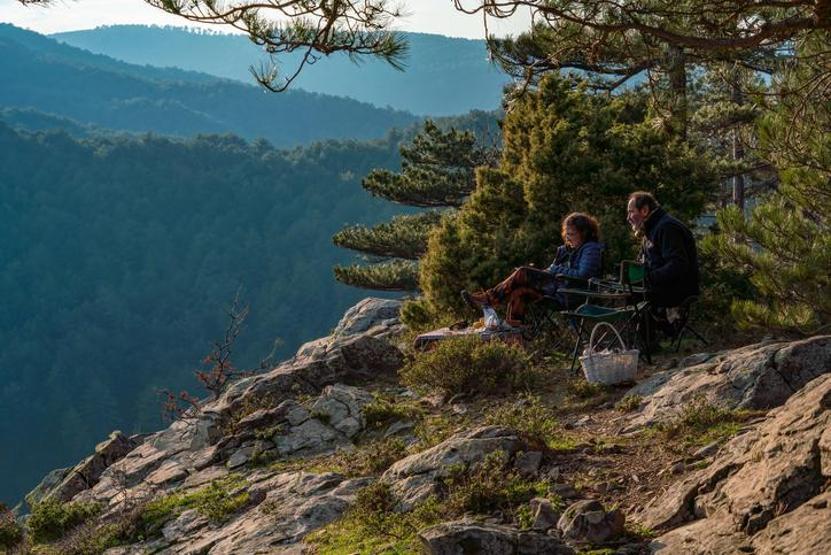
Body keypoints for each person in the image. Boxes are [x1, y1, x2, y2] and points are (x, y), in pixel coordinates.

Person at [462, 212, 604, 325]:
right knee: (520, 291)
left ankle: (489, 298)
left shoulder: (590, 249)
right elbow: (552, 269)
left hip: (572, 295)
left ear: (583, 233)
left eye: (571, 234)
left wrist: (556, 270)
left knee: (523, 272)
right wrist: (543, 272)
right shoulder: (566, 250)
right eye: (566, 234)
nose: (568, 238)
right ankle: (514, 337)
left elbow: (583, 275)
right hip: (558, 290)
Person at [626, 191, 699, 309]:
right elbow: (641, 263)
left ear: (644, 210)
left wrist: (648, 278)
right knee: (622, 291)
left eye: (631, 212)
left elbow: (678, 264)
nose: (628, 218)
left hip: (675, 291)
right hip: (660, 288)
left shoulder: (667, 227)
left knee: (628, 298)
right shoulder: (651, 229)